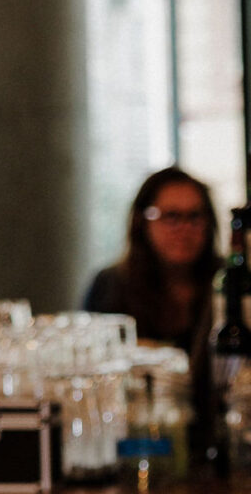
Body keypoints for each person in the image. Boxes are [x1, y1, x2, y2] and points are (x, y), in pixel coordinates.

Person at [84, 166, 218, 422]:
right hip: (134, 430)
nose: (184, 228)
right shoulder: (111, 285)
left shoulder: (227, 286)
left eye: (195, 217)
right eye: (171, 217)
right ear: (142, 222)